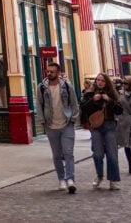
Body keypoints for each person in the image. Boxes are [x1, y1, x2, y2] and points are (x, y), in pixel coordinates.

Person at [35, 62, 79, 193]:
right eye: (48, 71)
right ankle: (61, 179)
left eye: (52, 71)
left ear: (58, 72)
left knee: (68, 153)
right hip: (51, 125)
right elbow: (39, 105)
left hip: (66, 123)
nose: (49, 74)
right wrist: (43, 121)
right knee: (57, 154)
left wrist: (73, 119)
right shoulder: (42, 87)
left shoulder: (67, 86)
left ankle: (70, 179)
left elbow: (74, 103)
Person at [80, 73, 123, 190]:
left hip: (109, 125)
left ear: (106, 82)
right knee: (97, 154)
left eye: (103, 81)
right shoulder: (89, 93)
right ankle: (99, 175)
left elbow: (120, 110)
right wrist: (93, 100)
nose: (100, 82)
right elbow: (83, 108)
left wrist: (109, 100)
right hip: (96, 127)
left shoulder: (112, 93)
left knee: (112, 154)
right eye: (98, 80)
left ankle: (113, 180)